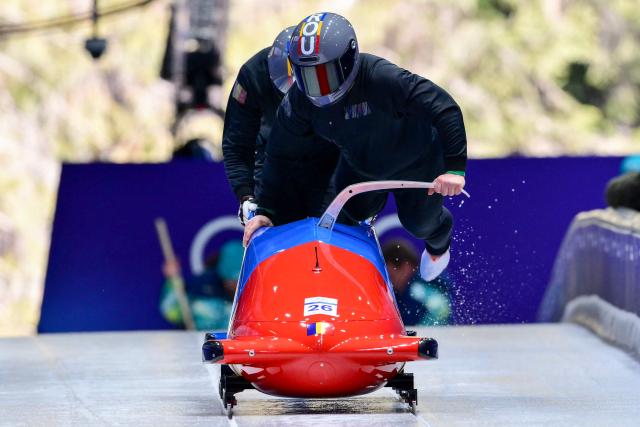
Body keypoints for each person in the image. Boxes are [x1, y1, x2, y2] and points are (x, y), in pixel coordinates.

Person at [246, 12, 468, 282]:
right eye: (306, 76)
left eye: (324, 75)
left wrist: (455, 168)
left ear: (348, 61)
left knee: (420, 224)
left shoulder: (381, 77)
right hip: (361, 167)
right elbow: (281, 155)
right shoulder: (298, 103)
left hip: (416, 164)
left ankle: (438, 246)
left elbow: (444, 107)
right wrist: (267, 211)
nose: (316, 89)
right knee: (345, 218)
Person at [222, 27, 338, 226]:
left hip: (327, 162)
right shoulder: (253, 75)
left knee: (328, 232)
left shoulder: (336, 72)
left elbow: (359, 139)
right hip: (273, 165)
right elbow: (237, 143)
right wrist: (246, 196)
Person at [160, 240, 244, 330]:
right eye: (231, 280)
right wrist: (173, 282)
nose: (235, 285)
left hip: (234, 342)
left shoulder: (253, 295)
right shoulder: (200, 287)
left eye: (239, 281)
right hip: (198, 341)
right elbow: (170, 312)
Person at [382, 239, 451, 326]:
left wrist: (420, 331)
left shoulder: (423, 288)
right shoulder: (391, 292)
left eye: (391, 276)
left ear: (407, 266)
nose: (390, 282)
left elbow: (441, 313)